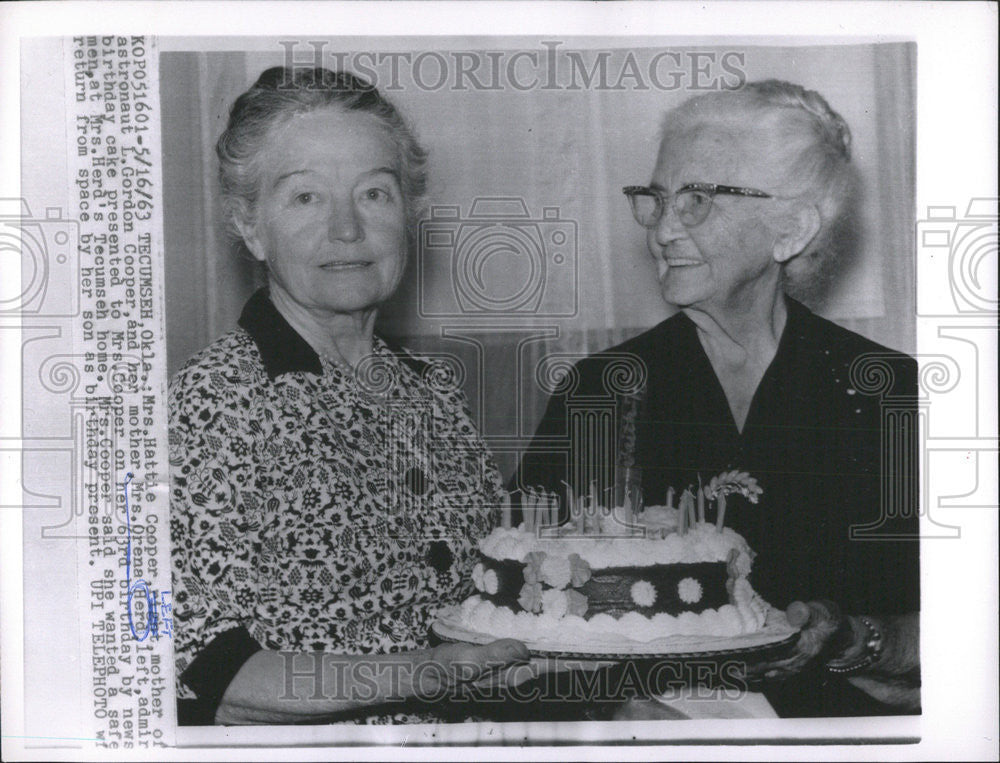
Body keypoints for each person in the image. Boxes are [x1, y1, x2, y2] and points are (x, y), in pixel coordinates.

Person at [513, 80, 920, 717]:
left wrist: (850, 639)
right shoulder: (602, 391)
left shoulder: (890, 392)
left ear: (790, 228)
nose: (664, 229)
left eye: (699, 201)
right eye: (657, 198)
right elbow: (525, 607)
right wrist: (609, 712)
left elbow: (960, 634)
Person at [169, 66, 531, 725]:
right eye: (305, 198)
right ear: (251, 226)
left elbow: (492, 597)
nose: (346, 229)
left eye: (374, 194)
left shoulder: (433, 393)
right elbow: (204, 671)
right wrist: (425, 672)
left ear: (409, 213)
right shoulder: (215, 401)